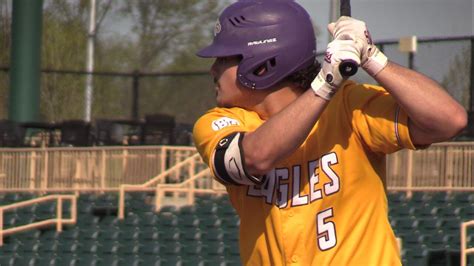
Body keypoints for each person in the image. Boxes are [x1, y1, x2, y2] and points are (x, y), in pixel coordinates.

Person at [192, 0, 467, 265]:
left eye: (223, 58)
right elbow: (255, 157)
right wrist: (325, 84)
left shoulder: (348, 104)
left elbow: (449, 120)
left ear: (262, 65)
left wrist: (372, 57)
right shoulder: (219, 121)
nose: (213, 69)